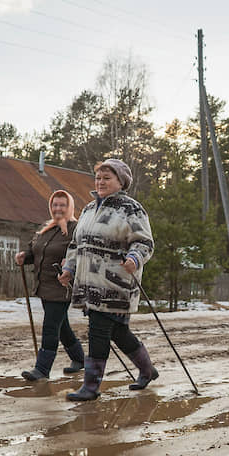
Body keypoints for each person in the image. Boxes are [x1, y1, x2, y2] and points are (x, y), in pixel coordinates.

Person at [58, 159, 158, 401]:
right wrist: (69, 268)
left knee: (99, 332)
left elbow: (144, 241)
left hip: (116, 283)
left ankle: (91, 387)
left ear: (120, 182)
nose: (100, 182)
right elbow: (76, 245)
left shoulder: (131, 209)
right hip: (89, 282)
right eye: (98, 178)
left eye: (107, 178)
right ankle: (147, 370)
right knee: (119, 333)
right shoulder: (90, 209)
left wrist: (135, 258)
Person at [15, 190, 86, 380]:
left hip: (62, 286)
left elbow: (82, 254)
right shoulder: (46, 228)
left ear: (69, 206)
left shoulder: (76, 229)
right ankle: (80, 359)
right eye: (55, 204)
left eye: (62, 205)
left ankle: (42, 369)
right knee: (61, 326)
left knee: (50, 326)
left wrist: (71, 265)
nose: (58, 208)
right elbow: (34, 250)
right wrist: (24, 256)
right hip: (44, 285)